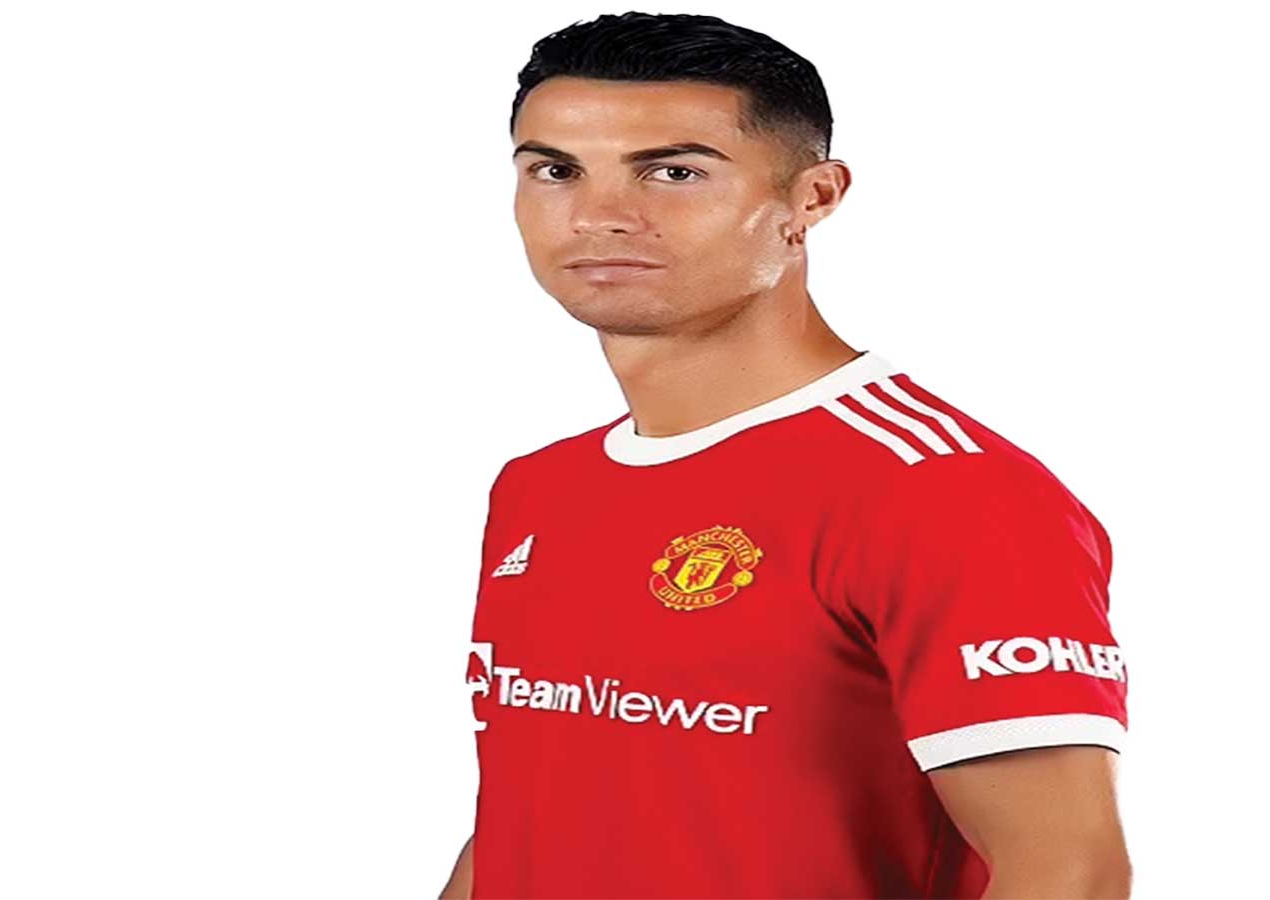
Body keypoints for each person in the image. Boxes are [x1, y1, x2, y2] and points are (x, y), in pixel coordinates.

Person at [440, 12, 1131, 899]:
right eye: (555, 171)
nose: (599, 215)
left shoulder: (945, 491)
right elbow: (528, 812)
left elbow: (1068, 868)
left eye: (674, 171)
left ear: (813, 198)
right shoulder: (541, 487)